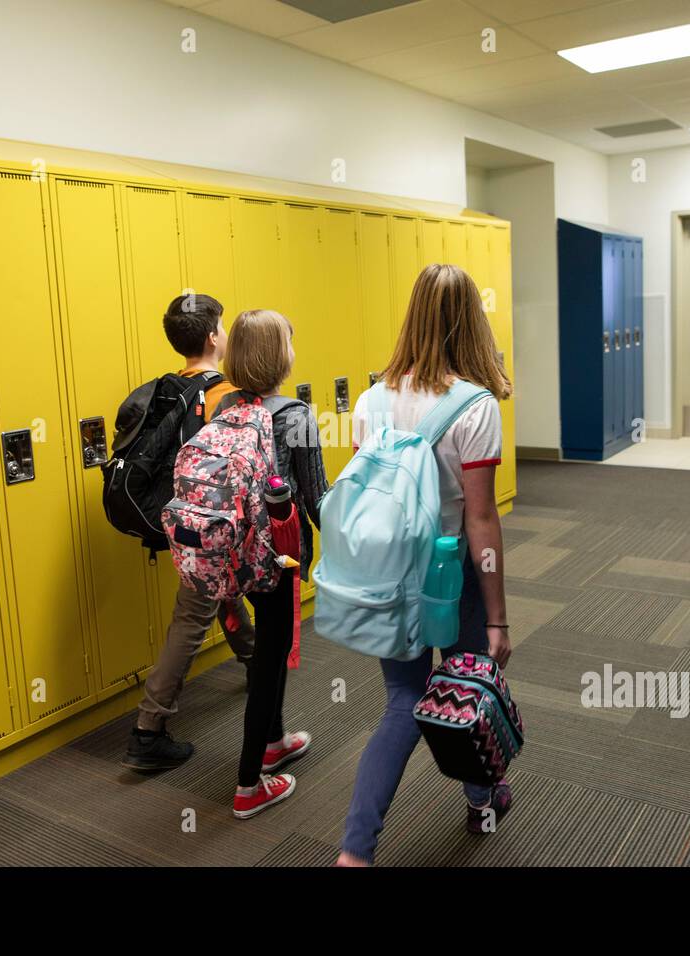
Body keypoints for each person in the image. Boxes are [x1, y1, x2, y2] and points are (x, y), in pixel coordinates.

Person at [335, 264, 514, 866]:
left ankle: (356, 851)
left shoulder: (369, 398)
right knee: (467, 686)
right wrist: (498, 618)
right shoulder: (475, 406)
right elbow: (481, 520)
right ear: (473, 322)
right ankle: (481, 799)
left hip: (391, 579)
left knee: (401, 704)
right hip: (452, 578)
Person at [124, 293, 255, 772]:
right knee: (191, 615)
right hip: (210, 522)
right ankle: (148, 729)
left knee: (218, 589)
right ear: (214, 337)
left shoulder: (168, 389)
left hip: (177, 517)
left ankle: (253, 657)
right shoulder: (224, 394)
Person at [214, 310, 328, 818]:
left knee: (272, 645)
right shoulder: (297, 416)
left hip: (236, 552)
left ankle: (274, 740)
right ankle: (246, 784)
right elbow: (317, 499)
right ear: (278, 355)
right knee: (269, 656)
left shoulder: (223, 408)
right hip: (280, 556)